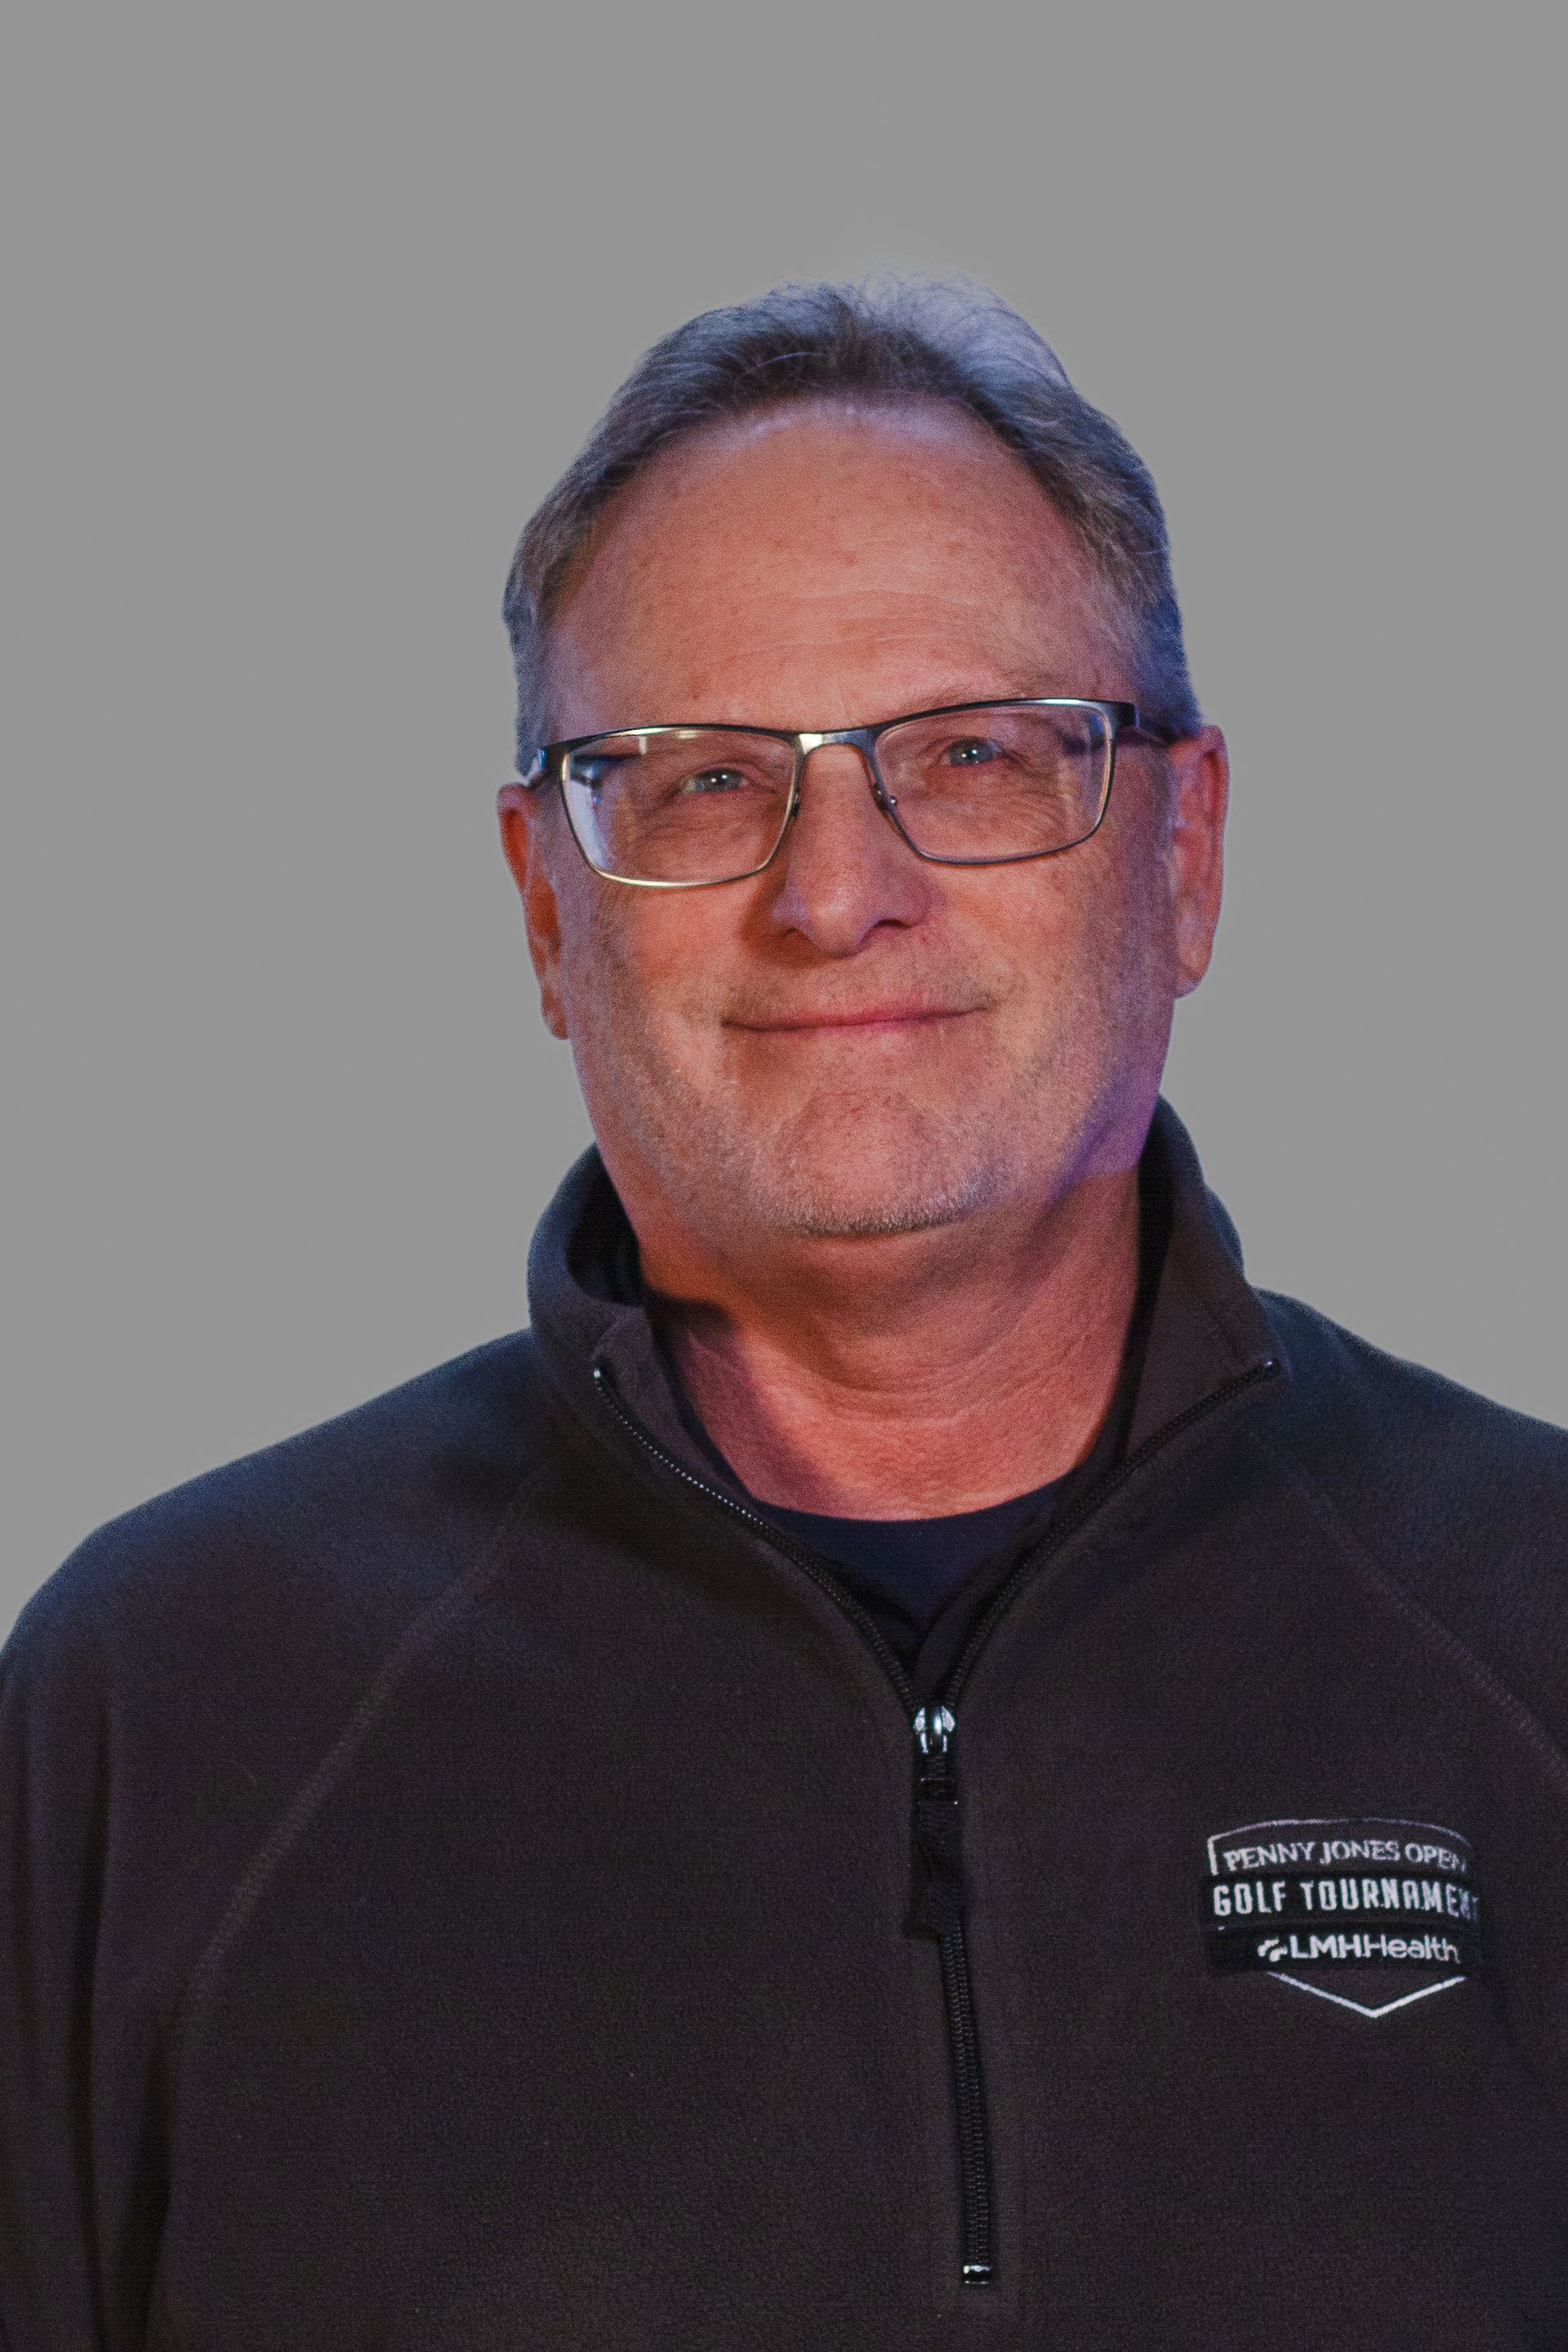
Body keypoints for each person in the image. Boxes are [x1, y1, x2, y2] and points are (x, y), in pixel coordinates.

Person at [3, 276, 1566, 2352]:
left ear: (1184, 857)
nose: (838, 893)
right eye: (701, 782)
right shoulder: (165, 1705)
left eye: (978, 755)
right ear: (545, 908)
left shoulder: (1535, 1624)